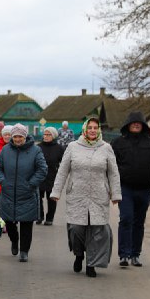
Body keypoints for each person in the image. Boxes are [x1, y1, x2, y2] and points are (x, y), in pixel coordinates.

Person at [50, 117, 121, 278]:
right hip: (77, 195)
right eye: (90, 127)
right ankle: (79, 255)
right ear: (84, 130)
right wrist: (56, 192)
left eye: (96, 127)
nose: (93, 130)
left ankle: (91, 263)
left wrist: (116, 194)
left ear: (99, 130)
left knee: (96, 230)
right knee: (76, 229)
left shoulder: (106, 148)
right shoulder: (73, 147)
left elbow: (113, 172)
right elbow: (63, 171)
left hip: (99, 195)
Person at [111, 111, 150, 268]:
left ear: (143, 125)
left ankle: (135, 254)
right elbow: (109, 165)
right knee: (126, 218)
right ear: (127, 125)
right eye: (133, 122)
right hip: (125, 188)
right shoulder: (118, 143)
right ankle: (124, 255)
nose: (136, 124)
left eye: (139, 122)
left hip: (145, 189)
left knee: (139, 222)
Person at [0, 124, 47, 262]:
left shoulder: (35, 150)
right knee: (9, 223)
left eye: (20, 137)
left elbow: (42, 169)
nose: (18, 139)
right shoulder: (5, 150)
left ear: (25, 137)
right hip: (8, 193)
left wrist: (31, 184)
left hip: (27, 193)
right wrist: (3, 182)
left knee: (26, 224)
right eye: (15, 136)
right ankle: (14, 240)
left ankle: (24, 251)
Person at [37, 127, 65, 225]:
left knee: (51, 199)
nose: (46, 136)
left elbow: (64, 163)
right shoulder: (38, 147)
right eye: (45, 134)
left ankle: (50, 218)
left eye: (48, 134)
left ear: (53, 136)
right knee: (37, 198)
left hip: (52, 177)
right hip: (39, 177)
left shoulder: (59, 148)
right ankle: (39, 216)